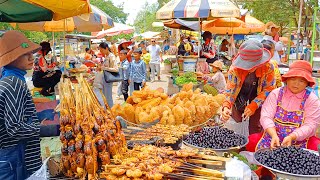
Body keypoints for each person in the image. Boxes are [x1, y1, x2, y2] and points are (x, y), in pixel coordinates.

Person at [247, 61, 320, 151]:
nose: (296, 84)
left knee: (316, 146)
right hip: (273, 137)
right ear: (287, 79)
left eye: (301, 81)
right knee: (251, 141)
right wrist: (273, 135)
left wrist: (293, 136)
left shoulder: (312, 99)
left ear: (307, 83)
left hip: (300, 140)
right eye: (293, 79)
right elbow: (266, 117)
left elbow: (311, 125)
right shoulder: (276, 94)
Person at [0, 30, 42, 179]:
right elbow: (15, 128)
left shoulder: (11, 79)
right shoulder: (13, 83)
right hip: (15, 158)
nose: (31, 57)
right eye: (25, 54)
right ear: (11, 58)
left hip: (13, 157)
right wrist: (43, 128)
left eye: (31, 52)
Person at [221, 39, 276, 135]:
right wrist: (226, 106)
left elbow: (269, 88)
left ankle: (252, 147)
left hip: (258, 96)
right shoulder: (235, 69)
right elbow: (230, 89)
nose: (249, 68)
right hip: (240, 96)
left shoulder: (268, 67)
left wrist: (254, 105)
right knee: (237, 124)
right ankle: (239, 148)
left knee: (256, 126)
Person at [99, 42, 118, 108]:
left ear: (106, 48)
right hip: (105, 79)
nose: (101, 52)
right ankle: (108, 110)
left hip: (108, 79)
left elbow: (116, 69)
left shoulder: (111, 56)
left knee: (108, 97)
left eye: (101, 50)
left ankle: (112, 110)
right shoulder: (106, 56)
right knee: (105, 96)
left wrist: (105, 68)